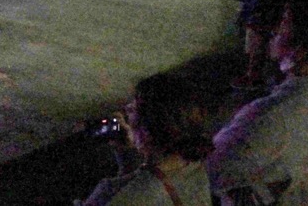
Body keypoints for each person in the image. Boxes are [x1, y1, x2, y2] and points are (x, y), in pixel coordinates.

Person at [208, 0, 308, 205]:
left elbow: (211, 168)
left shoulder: (271, 115)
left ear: (302, 48)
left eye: (284, 24)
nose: (275, 31)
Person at [79, 74, 214, 205]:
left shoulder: (130, 196)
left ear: (150, 129)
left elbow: (143, 193)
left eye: (134, 109)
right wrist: (128, 158)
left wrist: (101, 194)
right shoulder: (195, 168)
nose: (127, 109)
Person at [233, 0, 291, 90]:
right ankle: (255, 76)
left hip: (261, 20)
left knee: (257, 50)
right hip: (259, 19)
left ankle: (254, 79)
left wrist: (248, 14)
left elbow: (260, 0)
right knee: (256, 49)